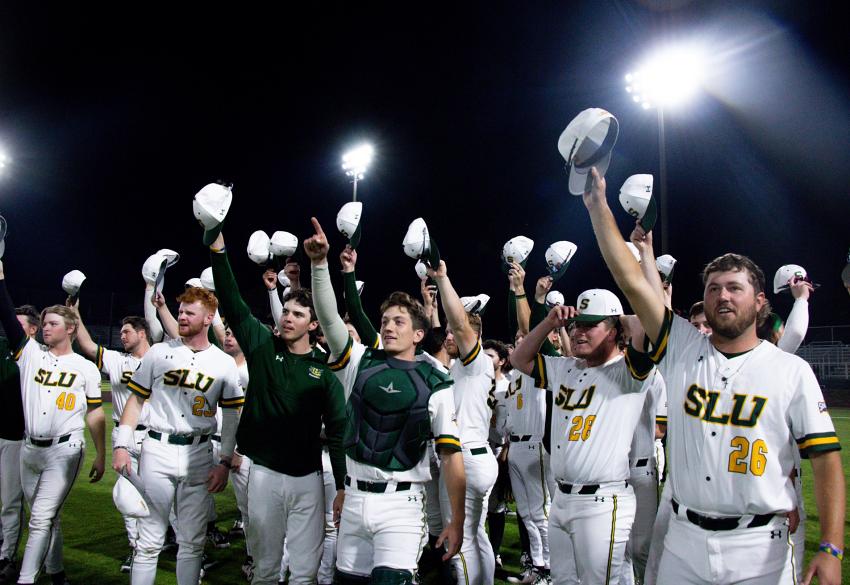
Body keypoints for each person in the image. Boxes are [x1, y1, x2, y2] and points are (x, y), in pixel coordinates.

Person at [581, 166, 844, 585]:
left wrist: (831, 547)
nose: (722, 295)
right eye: (713, 288)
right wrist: (597, 205)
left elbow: (826, 462)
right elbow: (631, 282)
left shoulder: (790, 371)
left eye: (734, 288)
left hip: (761, 546)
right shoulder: (682, 347)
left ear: (759, 302)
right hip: (684, 541)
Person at [305, 217, 466, 584]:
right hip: (356, 498)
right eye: (385, 320)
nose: (389, 326)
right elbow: (330, 321)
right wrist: (319, 265)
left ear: (419, 334)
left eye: (399, 322)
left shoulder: (436, 380)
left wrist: (457, 521)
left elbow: (451, 455)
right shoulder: (360, 360)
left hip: (402, 504)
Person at [206, 229, 346, 585]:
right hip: (264, 474)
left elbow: (339, 430)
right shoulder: (262, 347)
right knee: (266, 568)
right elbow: (232, 301)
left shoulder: (324, 375)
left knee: (304, 572)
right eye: (285, 311)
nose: (287, 317)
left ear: (313, 325)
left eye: (297, 314)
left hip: (309, 480)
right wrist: (217, 244)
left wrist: (342, 485)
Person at [511, 290, 657, 585]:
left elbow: (643, 326)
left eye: (590, 325)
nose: (578, 331)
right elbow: (519, 358)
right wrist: (549, 323)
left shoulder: (629, 371)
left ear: (615, 330)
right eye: (577, 324)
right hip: (562, 498)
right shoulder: (565, 367)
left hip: (603, 501)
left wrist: (621, 320)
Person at [112, 286, 243, 585]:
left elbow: (233, 414)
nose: (181, 315)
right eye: (180, 310)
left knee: (193, 542)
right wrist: (121, 443)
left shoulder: (223, 362)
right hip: (157, 449)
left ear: (209, 318)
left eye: (188, 311)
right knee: (149, 540)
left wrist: (224, 461)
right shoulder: (160, 352)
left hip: (199, 453)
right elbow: (136, 401)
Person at [0, 261, 106, 585]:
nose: (46, 327)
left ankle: (26, 579)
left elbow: (95, 414)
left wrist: (101, 454)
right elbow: (5, 313)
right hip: (29, 450)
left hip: (65, 449)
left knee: (41, 518)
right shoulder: (31, 355)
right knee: (47, 517)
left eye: (53, 323)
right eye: (44, 323)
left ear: (70, 329)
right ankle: (57, 571)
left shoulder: (85, 368)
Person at [65, 300, 152, 574]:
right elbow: (89, 346)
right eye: (122, 331)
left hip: (154, 437)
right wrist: (76, 313)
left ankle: (163, 544)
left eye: (127, 331)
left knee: (163, 496)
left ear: (142, 333)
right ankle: (136, 548)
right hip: (123, 437)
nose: (122, 335)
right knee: (127, 497)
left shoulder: (160, 359)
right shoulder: (117, 360)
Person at [428, 259, 498, 585]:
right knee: (476, 535)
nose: (448, 337)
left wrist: (443, 280)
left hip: (465, 458)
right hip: (478, 455)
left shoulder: (476, 360)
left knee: (462, 540)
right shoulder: (461, 367)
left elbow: (458, 325)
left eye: (453, 333)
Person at [0, 306, 38, 583]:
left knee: (10, 502)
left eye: (17, 323)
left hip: (15, 437)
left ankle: (7, 556)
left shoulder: (38, 357)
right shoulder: (3, 348)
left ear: (32, 329)